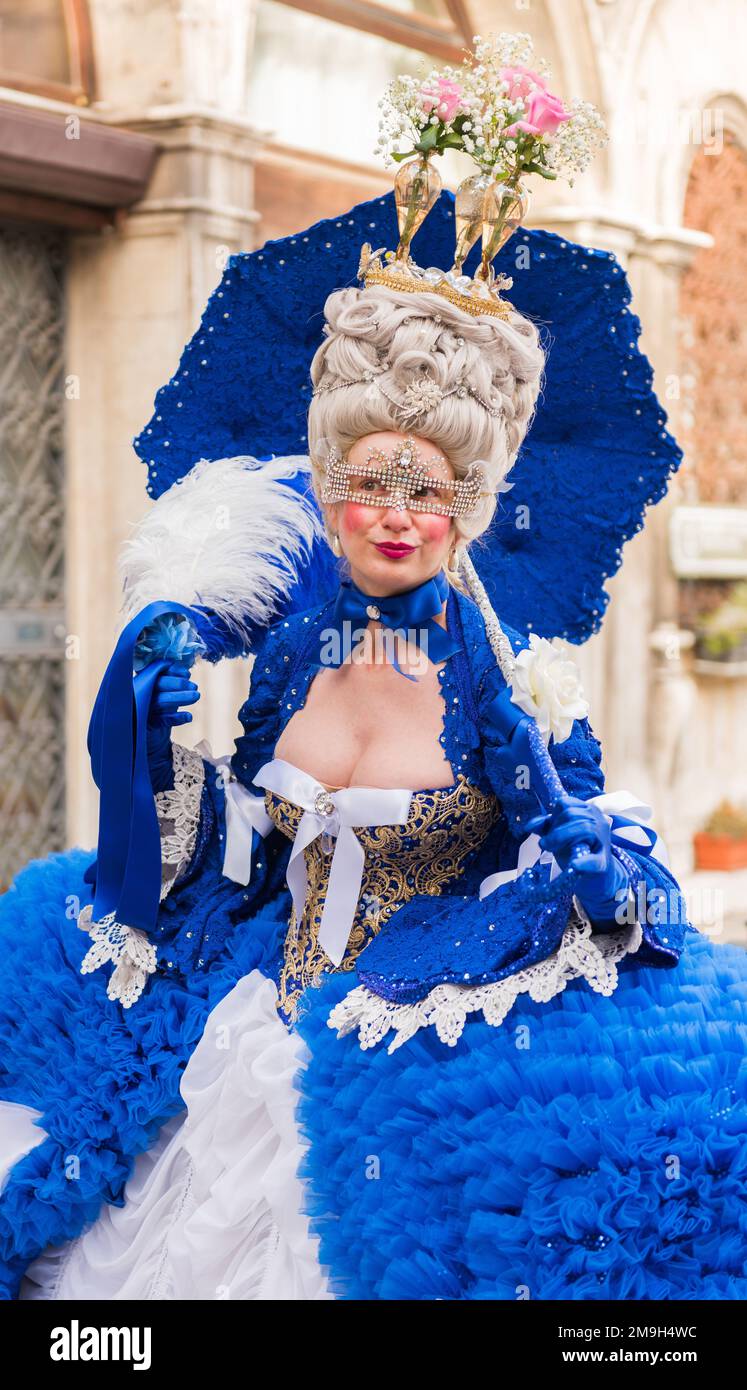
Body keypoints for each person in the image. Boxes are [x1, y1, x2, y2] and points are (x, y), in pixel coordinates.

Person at [1, 186, 745, 1302]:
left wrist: (579, 860)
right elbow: (246, 817)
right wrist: (154, 701)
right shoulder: (296, 641)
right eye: (368, 482)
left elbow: (569, 838)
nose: (394, 512)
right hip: (246, 1013)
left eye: (426, 490)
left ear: (468, 505)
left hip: (400, 1045)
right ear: (330, 488)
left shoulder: (494, 671)